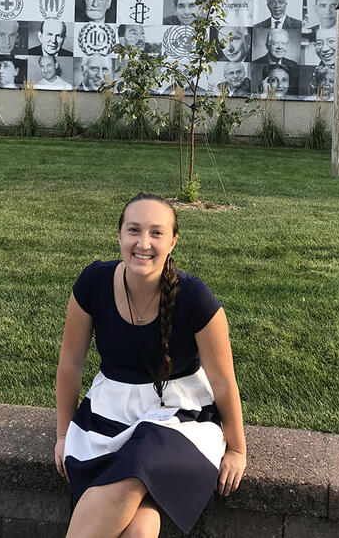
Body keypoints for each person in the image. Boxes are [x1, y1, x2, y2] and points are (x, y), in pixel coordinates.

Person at [56, 194, 247, 536]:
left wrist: (236, 448)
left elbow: (222, 381)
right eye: (134, 230)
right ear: (119, 236)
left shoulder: (196, 298)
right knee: (141, 529)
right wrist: (62, 433)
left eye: (156, 233)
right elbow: (70, 362)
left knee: (136, 469)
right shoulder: (93, 283)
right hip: (109, 413)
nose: (143, 243)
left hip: (181, 418)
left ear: (174, 241)